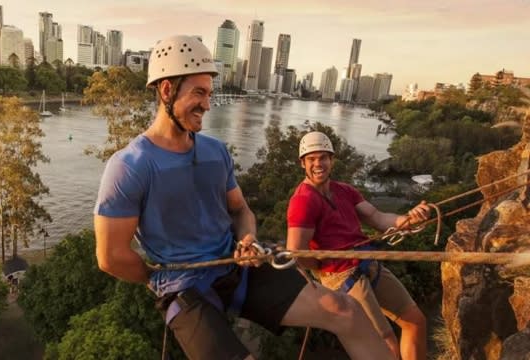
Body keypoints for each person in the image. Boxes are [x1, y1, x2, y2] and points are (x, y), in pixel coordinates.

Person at [93, 35, 393, 360]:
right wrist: (159, 278)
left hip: (237, 269)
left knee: (345, 310)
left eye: (209, 93)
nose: (207, 104)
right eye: (198, 93)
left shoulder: (214, 151)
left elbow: (240, 210)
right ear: (167, 90)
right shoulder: (129, 166)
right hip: (183, 288)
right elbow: (110, 257)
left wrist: (247, 238)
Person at [286, 131, 430, 360]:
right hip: (341, 276)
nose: (318, 164)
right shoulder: (303, 200)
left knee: (415, 321)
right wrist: (324, 266)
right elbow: (297, 251)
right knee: (386, 348)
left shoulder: (345, 190)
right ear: (303, 163)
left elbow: (378, 218)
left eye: (323, 157)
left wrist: (408, 220)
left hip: (366, 262)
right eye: (311, 159)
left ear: (332, 160)